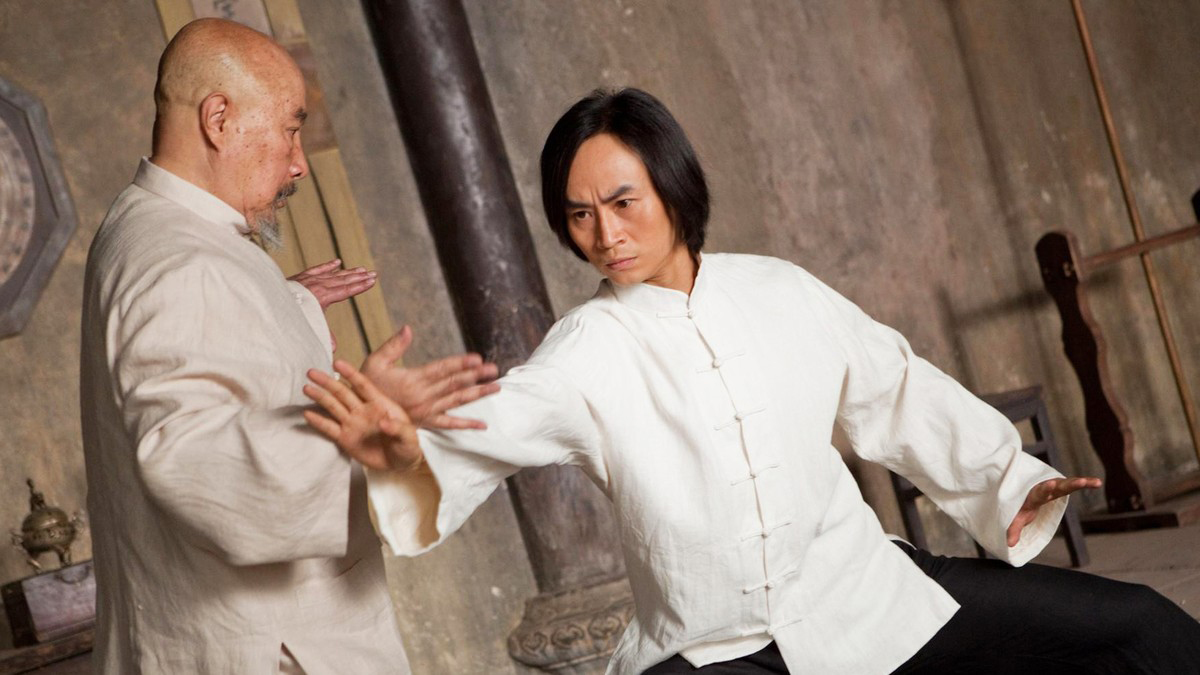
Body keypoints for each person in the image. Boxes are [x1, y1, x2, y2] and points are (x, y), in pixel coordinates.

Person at [303, 88, 1200, 674]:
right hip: (715, 648)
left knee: (1139, 629)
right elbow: (509, 416)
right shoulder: (587, 347)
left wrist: (1008, 479)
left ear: (671, 185)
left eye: (622, 202)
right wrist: (403, 446)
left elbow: (893, 387)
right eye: (578, 215)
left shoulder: (780, 289)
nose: (604, 235)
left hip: (867, 595)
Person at [80, 18, 497, 674]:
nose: (299, 161)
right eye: (290, 128)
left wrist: (287, 301)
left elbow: (214, 355)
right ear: (219, 119)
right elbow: (192, 462)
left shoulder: (157, 232)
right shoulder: (178, 262)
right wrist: (354, 427)